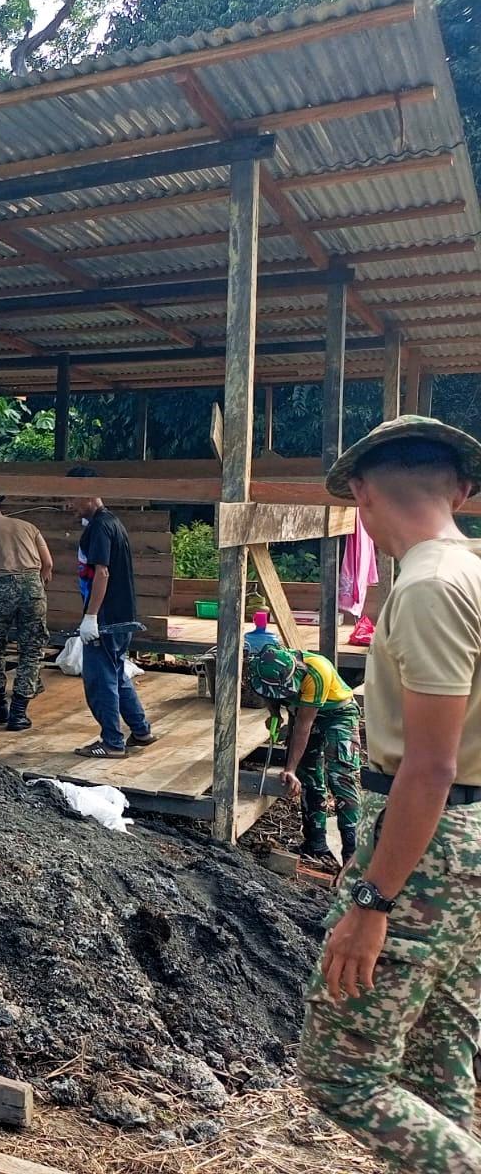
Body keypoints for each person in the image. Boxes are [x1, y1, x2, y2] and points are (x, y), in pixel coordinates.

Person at [297, 415, 481, 1172]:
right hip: (464, 839)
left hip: (429, 842)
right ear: (463, 490)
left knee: (342, 1070)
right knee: (438, 1066)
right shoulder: (468, 572)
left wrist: (373, 901)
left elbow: (429, 766)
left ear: (361, 493)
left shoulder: (431, 587)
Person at [64, 468, 156, 759]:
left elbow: (101, 573)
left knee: (99, 680)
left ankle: (112, 742)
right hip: (121, 615)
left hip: (105, 618)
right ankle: (141, 730)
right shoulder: (110, 523)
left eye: (72, 496)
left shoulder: (101, 527)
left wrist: (91, 617)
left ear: (88, 492)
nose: (69, 503)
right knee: (116, 674)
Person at [246, 644, 363, 873]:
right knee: (308, 777)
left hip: (338, 714)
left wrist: (289, 767)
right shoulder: (261, 668)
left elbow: (303, 725)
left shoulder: (317, 671)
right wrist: (274, 714)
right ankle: (315, 844)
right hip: (301, 713)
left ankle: (355, 858)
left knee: (341, 779)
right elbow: (270, 694)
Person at [0, 495, 52, 732]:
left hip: (1, 585)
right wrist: (38, 585)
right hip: (34, 586)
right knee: (32, 649)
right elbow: (48, 564)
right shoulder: (29, 527)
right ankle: (19, 714)